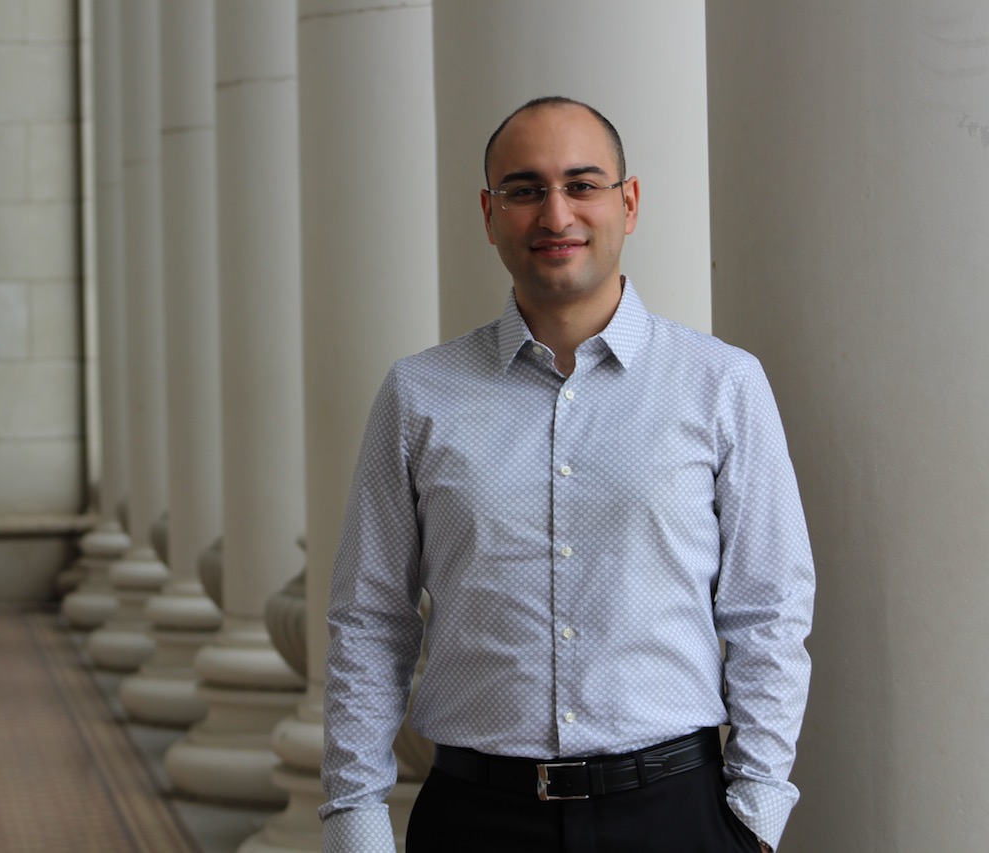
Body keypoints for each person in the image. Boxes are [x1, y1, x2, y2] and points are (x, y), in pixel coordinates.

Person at [319, 96, 814, 853]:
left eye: (583, 184)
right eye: (525, 190)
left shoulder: (722, 385)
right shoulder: (419, 393)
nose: (556, 214)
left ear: (630, 202)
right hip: (475, 820)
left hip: (674, 816)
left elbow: (769, 608)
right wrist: (355, 823)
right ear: (489, 214)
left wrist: (753, 814)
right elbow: (370, 619)